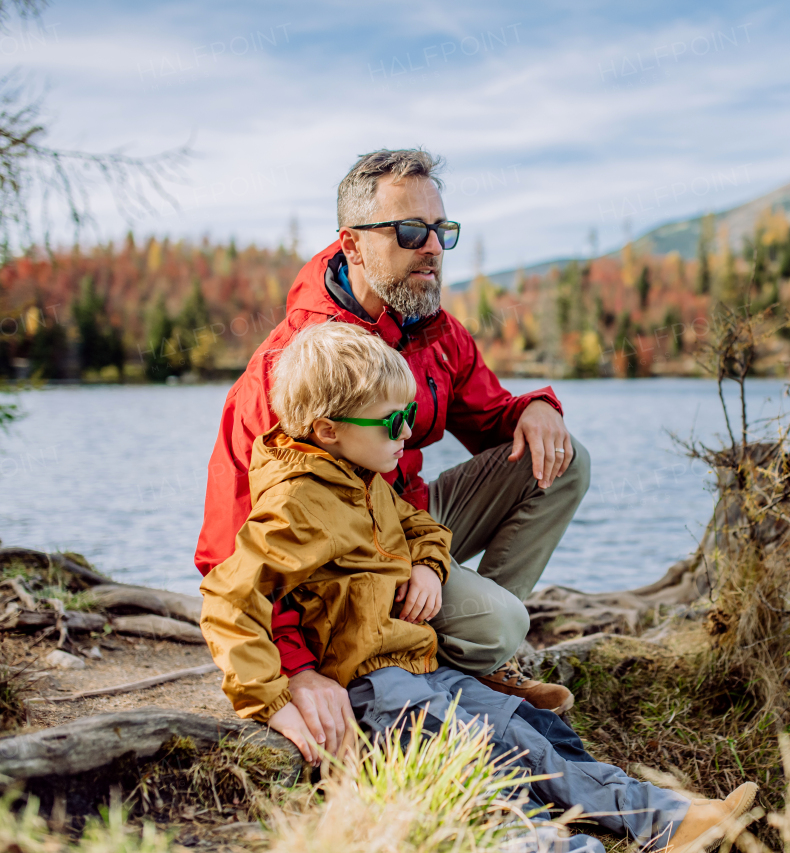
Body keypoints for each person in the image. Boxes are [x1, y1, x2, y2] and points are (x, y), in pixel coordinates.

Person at [199, 323, 757, 853]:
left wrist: (428, 566)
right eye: (392, 423)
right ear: (327, 429)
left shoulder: (363, 477)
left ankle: (668, 821)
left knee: (528, 730)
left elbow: (421, 526)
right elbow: (228, 598)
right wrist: (274, 702)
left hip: (416, 665)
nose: (408, 433)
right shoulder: (297, 504)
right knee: (480, 762)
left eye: (411, 416)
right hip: (374, 691)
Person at [195, 148, 589, 760]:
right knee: (499, 620)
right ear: (352, 246)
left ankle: (473, 661)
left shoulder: (429, 326)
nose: (431, 247)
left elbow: (490, 420)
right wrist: (295, 670)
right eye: (410, 232)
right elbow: (229, 549)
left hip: (404, 523)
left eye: (441, 230)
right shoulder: (297, 368)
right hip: (341, 573)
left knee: (565, 461)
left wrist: (532, 409)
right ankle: (445, 646)